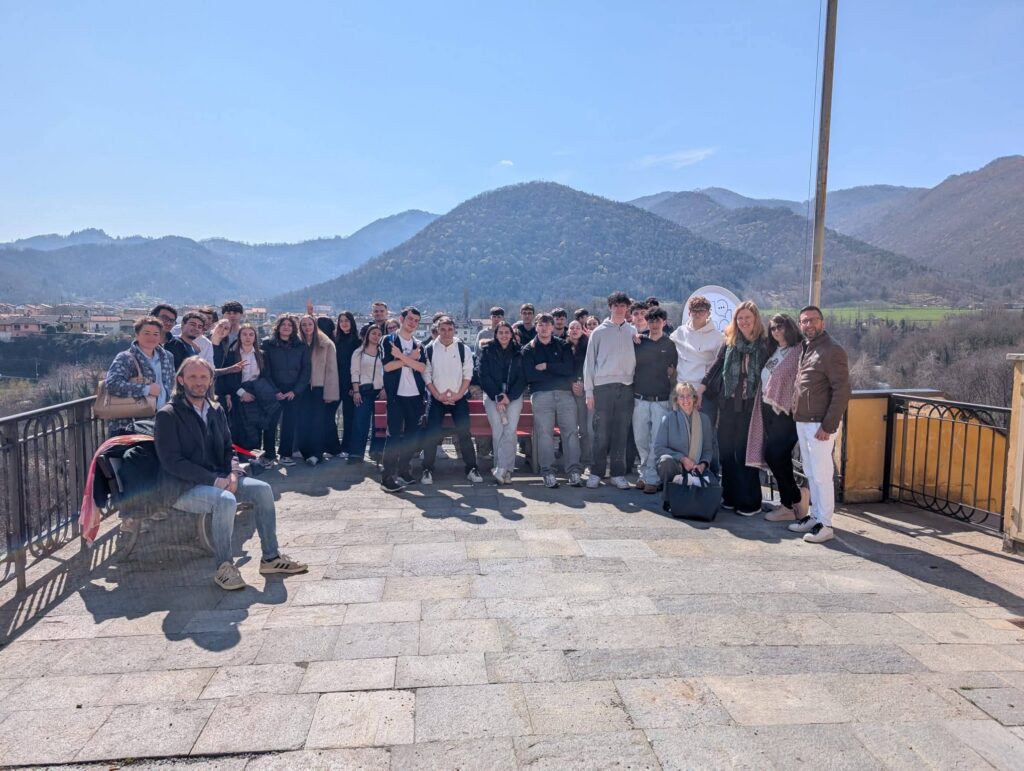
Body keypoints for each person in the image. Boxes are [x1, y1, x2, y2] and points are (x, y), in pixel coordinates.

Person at [154, 356, 307, 590]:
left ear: (211, 380)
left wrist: (234, 473)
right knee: (225, 500)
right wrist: (215, 480)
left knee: (263, 490)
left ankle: (271, 558)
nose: (198, 382)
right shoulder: (168, 414)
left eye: (204, 376)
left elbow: (228, 449)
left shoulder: (215, 409)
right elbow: (172, 462)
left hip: (220, 478)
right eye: (192, 376)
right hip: (183, 487)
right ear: (181, 380)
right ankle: (224, 567)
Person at [787, 306, 851, 544]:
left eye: (813, 320)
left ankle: (826, 524)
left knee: (822, 475)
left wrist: (829, 425)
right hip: (804, 421)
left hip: (819, 425)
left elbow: (842, 390)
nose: (809, 324)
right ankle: (815, 516)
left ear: (822, 323)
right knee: (811, 472)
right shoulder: (808, 347)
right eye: (804, 321)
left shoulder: (832, 350)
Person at [702, 300, 769, 516]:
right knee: (727, 451)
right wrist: (701, 388)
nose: (743, 321)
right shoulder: (730, 342)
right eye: (740, 318)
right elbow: (716, 367)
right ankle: (729, 496)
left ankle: (750, 501)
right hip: (728, 404)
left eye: (747, 317)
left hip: (751, 407)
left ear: (756, 319)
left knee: (744, 453)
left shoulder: (765, 345)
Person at [745, 314, 806, 522]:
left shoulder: (799, 351)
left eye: (780, 326)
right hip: (767, 409)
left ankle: (791, 501)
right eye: (772, 328)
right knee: (779, 457)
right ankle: (792, 501)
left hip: (786, 412)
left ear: (790, 327)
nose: (777, 331)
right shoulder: (774, 351)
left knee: (774, 455)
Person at [584, 291, 637, 489]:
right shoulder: (598, 332)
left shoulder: (632, 331)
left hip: (626, 387)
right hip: (603, 388)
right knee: (601, 433)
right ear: (610, 307)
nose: (620, 309)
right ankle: (596, 473)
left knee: (621, 433)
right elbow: (589, 363)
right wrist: (589, 392)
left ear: (627, 308)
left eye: (623, 306)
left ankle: (617, 474)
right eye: (616, 305)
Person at [421, 317, 483, 484]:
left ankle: (471, 468)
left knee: (464, 433)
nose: (446, 333)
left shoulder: (463, 348)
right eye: (443, 329)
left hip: (459, 398)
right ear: (437, 330)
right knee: (431, 434)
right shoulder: (429, 349)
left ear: (454, 330)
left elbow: (467, 374)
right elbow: (426, 376)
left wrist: (458, 394)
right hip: (437, 398)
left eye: (450, 329)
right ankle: (427, 469)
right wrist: (437, 395)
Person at [523, 313, 582, 488]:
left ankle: (573, 470)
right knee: (544, 434)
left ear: (552, 327)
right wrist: (557, 371)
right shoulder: (529, 349)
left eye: (547, 325)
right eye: (540, 325)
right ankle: (547, 471)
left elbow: (569, 369)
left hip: (564, 394)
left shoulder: (563, 345)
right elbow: (530, 375)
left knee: (571, 432)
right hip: (541, 395)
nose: (544, 328)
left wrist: (546, 366)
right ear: (536, 327)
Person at [379, 307, 427, 492]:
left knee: (411, 436)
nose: (413, 323)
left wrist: (401, 357)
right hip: (396, 396)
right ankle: (387, 477)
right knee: (393, 437)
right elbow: (388, 367)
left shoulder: (418, 344)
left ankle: (404, 471)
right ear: (401, 319)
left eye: (416, 320)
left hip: (415, 396)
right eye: (410, 319)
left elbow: (422, 368)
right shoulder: (388, 340)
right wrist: (408, 359)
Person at [104, 316, 176, 437]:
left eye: (155, 334)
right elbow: (112, 384)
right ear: (137, 335)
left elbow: (171, 385)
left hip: (162, 420)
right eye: (146, 333)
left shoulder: (168, 357)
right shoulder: (126, 357)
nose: (151, 337)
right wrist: (146, 389)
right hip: (130, 424)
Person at [632, 307, 677, 493]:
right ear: (647, 322)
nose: (654, 324)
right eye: (651, 321)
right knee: (641, 439)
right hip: (640, 398)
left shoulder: (670, 344)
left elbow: (674, 370)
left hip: (661, 400)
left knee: (655, 441)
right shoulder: (639, 341)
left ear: (664, 322)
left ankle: (652, 478)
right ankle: (643, 474)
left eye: (658, 320)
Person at [218, 323, 278, 459]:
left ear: (255, 337)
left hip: (257, 393)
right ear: (239, 336)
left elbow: (265, 375)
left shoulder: (261, 355)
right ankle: (242, 458)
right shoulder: (232, 355)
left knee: (257, 425)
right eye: (244, 334)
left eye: (251, 334)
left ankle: (256, 456)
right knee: (241, 427)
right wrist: (242, 393)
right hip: (238, 394)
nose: (248, 337)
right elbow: (228, 377)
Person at [654, 382, 717, 512]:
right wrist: (682, 459)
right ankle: (669, 499)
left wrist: (703, 464)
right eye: (681, 396)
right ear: (676, 400)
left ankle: (695, 501)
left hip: (696, 467)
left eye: (689, 396)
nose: (685, 400)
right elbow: (659, 448)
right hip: (676, 466)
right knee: (665, 461)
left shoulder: (704, 419)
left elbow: (708, 449)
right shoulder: (668, 418)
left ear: (694, 398)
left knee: (714, 487)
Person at [478, 320, 526, 484]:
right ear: (496, 335)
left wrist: (509, 396)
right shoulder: (487, 351)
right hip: (493, 395)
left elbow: (523, 377)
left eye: (507, 332)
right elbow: (483, 375)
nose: (504, 335)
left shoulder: (520, 351)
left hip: (514, 395)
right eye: (501, 332)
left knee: (510, 430)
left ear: (511, 334)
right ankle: (500, 467)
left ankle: (505, 470)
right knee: (498, 430)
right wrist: (497, 396)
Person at [261, 315, 310, 467]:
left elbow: (306, 371)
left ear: (294, 328)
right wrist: (275, 391)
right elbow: (265, 370)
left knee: (289, 424)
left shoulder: (301, 346)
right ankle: (269, 455)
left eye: (290, 325)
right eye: (283, 324)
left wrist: (295, 391)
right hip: (273, 391)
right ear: (278, 327)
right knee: (270, 424)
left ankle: (285, 454)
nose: (286, 327)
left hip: (293, 392)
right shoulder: (267, 344)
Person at [671, 295, 724, 423]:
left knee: (704, 429)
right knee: (681, 429)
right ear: (689, 313)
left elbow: (718, 367)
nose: (698, 314)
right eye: (694, 310)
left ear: (708, 313)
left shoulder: (718, 337)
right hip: (682, 389)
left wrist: (703, 389)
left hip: (704, 392)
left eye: (702, 311)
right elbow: (666, 348)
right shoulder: (680, 332)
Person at [295, 315, 339, 465]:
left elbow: (331, 370)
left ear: (315, 325)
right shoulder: (296, 343)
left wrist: (330, 393)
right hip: (301, 388)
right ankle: (305, 452)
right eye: (304, 325)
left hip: (319, 388)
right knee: (302, 421)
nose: (307, 327)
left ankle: (317, 454)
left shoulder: (326, 344)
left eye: (310, 324)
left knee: (318, 422)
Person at [349, 323, 385, 464]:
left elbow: (388, 372)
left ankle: (377, 452)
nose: (376, 336)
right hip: (363, 391)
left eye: (379, 334)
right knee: (360, 422)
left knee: (380, 424)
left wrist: (385, 389)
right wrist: (356, 391)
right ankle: (356, 454)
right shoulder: (359, 352)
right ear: (368, 335)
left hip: (380, 391)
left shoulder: (384, 352)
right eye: (373, 333)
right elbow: (355, 372)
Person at [329, 311, 360, 458]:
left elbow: (358, 366)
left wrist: (355, 386)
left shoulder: (358, 342)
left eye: (346, 320)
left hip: (350, 386)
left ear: (352, 322)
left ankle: (347, 447)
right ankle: (333, 446)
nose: (344, 323)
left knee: (349, 418)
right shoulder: (334, 341)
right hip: (335, 384)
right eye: (341, 321)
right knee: (328, 415)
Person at [566, 320, 592, 471]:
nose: (575, 330)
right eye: (572, 328)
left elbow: (591, 366)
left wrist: (582, 384)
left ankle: (587, 460)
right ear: (568, 331)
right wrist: (571, 383)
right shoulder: (563, 346)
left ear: (582, 330)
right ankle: (573, 461)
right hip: (568, 391)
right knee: (572, 429)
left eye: (577, 327)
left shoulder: (588, 345)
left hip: (586, 390)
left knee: (586, 429)